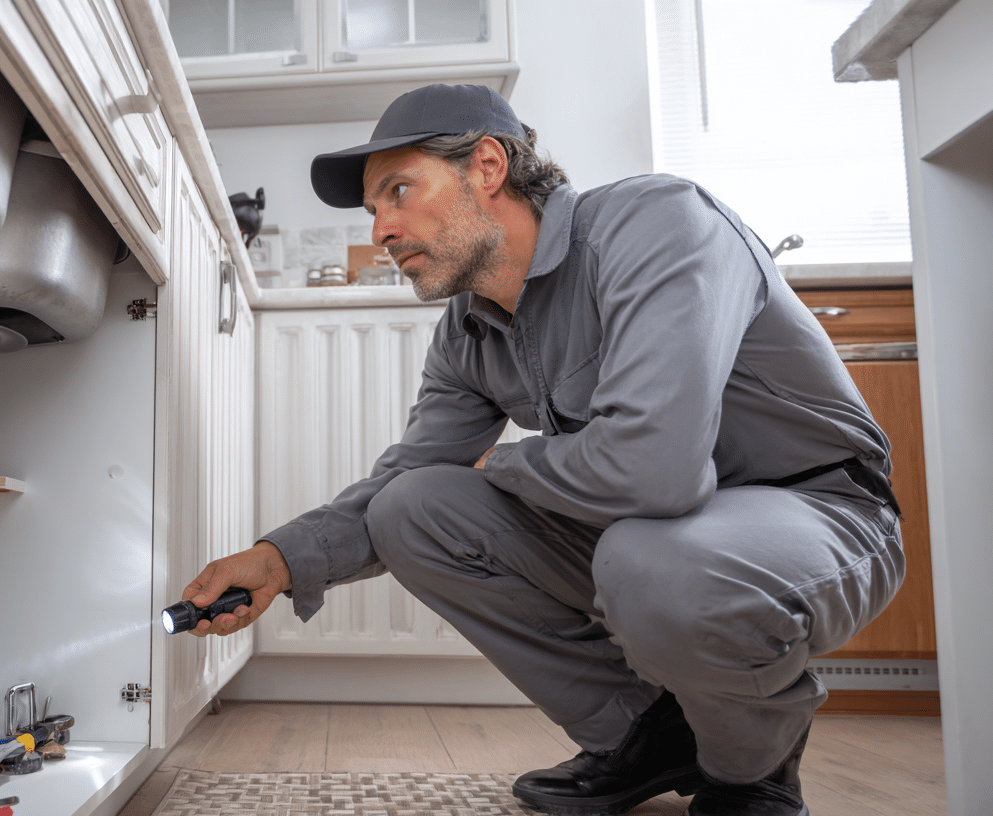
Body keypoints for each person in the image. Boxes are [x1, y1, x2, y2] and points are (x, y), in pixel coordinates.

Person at [179, 84, 904, 816]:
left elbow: (655, 471)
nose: (383, 230)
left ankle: (753, 767)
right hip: (655, 531)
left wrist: (509, 463)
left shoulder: (655, 223)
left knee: (652, 562)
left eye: (399, 191)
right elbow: (405, 480)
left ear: (487, 166)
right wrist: (278, 559)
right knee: (414, 507)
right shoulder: (468, 331)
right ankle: (651, 734)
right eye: (373, 212)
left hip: (818, 511)